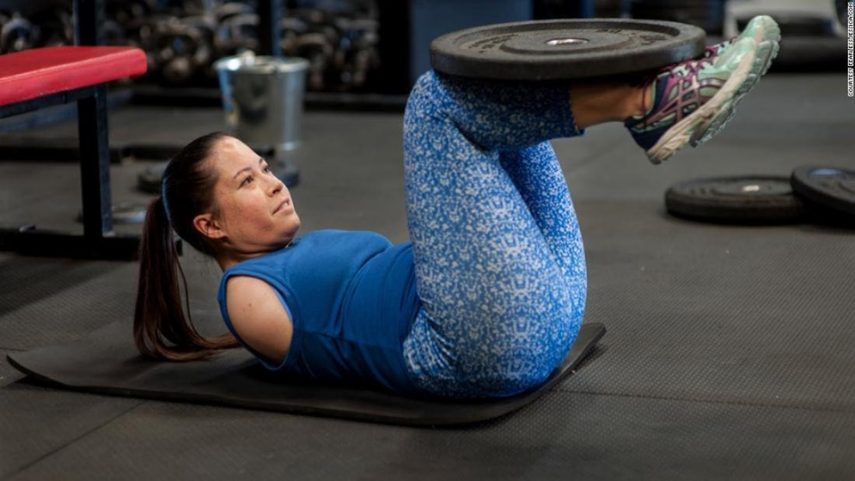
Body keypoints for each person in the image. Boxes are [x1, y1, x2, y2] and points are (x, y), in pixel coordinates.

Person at [134, 16, 780, 399]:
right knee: (432, 101)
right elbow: (335, 356)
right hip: (477, 346)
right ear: (209, 225)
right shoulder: (245, 294)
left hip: (541, 310)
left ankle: (650, 104)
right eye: (247, 180)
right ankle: (645, 99)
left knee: (499, 122)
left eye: (267, 167)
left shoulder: (287, 256)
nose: (273, 182)